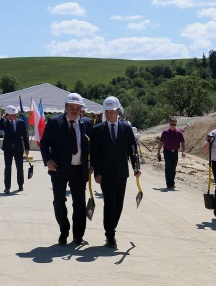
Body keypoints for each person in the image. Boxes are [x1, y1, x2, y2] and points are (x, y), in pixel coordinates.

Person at [40, 93, 94, 245]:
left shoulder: (87, 124)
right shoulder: (54, 122)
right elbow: (44, 143)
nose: (74, 111)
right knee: (58, 201)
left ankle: (78, 236)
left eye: (78, 108)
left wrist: (92, 165)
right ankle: (64, 231)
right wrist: (48, 160)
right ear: (65, 107)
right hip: (58, 169)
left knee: (79, 204)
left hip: (79, 169)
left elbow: (93, 147)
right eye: (72, 107)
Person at [91, 96, 141, 248]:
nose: (109, 114)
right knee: (109, 202)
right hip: (105, 174)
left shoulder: (126, 129)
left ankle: (112, 228)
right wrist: (97, 173)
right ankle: (110, 234)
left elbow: (132, 150)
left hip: (121, 173)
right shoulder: (98, 130)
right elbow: (95, 153)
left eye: (112, 112)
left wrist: (136, 167)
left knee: (119, 204)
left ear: (118, 111)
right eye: (107, 112)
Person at [0, 105, 29, 193]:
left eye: (15, 114)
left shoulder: (21, 122)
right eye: (13, 114)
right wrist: (3, 117)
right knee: (8, 168)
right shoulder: (5, 122)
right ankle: (7, 187)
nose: (15, 115)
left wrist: (27, 148)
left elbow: (25, 136)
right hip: (8, 149)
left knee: (19, 167)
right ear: (8, 115)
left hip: (18, 148)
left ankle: (20, 185)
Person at [156, 116, 185, 189]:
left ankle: (172, 182)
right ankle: (168, 183)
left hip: (175, 152)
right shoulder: (165, 132)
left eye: (174, 124)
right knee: (168, 166)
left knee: (173, 167)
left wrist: (183, 151)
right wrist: (158, 152)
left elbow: (182, 142)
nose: (173, 126)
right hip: (167, 151)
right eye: (172, 124)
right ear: (169, 124)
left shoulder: (179, 133)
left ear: (176, 124)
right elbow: (161, 142)